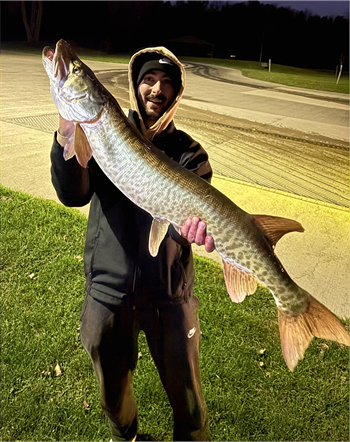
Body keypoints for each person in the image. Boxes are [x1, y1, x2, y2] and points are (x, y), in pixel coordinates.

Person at [50, 46, 215, 442]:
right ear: (134, 86)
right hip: (110, 289)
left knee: (189, 403)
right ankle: (129, 436)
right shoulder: (98, 128)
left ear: (175, 95)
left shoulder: (191, 154)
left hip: (169, 296)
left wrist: (189, 230)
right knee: (112, 391)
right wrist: (66, 132)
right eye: (148, 80)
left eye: (167, 84)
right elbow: (72, 193)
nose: (157, 89)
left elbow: (184, 227)